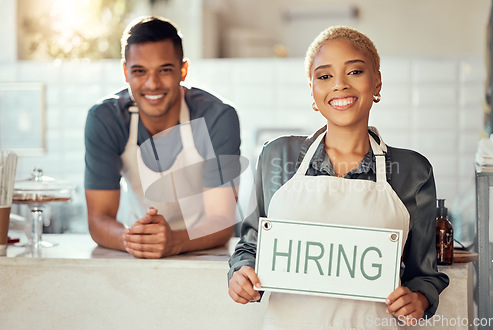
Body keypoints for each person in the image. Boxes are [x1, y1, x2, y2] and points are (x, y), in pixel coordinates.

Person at [228, 26, 449, 328]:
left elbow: (422, 275)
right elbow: (251, 248)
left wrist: (418, 298)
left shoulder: (413, 171)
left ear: (377, 82)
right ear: (312, 91)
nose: (340, 85)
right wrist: (241, 274)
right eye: (324, 76)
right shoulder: (276, 157)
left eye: (355, 72)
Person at [84, 16, 241, 258]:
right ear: (125, 72)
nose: (152, 83)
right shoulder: (106, 119)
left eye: (165, 70)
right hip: (138, 252)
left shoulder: (217, 117)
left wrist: (175, 241)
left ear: (183, 70)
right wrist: (131, 240)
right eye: (139, 71)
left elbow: (221, 221)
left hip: (205, 252)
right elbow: (98, 219)